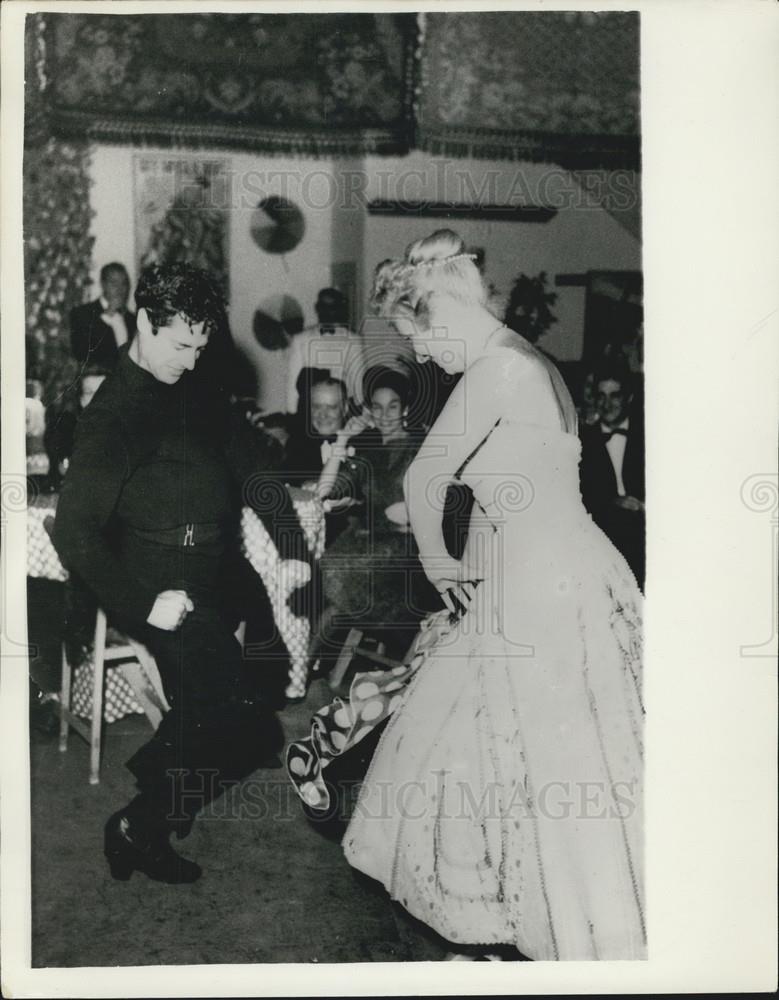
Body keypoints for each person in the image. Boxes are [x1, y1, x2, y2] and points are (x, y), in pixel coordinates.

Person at [328, 230, 644, 960]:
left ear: (438, 311)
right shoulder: (539, 363)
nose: (426, 358)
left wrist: (438, 567)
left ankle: (543, 930)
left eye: (419, 339)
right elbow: (519, 491)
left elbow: (423, 479)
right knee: (550, 761)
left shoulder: (496, 370)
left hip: (535, 585)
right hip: (570, 567)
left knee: (521, 761)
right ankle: (525, 926)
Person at [53, 262, 283, 884]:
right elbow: (73, 531)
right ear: (144, 326)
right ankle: (139, 823)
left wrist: (287, 538)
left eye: (201, 346)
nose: (191, 359)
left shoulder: (190, 377)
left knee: (231, 710)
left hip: (215, 567)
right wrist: (141, 602)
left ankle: (150, 820)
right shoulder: (113, 414)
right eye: (181, 345)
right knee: (241, 720)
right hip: (159, 581)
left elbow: (240, 450)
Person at [316, 367, 438, 662]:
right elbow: (324, 490)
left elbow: (442, 502)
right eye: (377, 407)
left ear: (405, 409)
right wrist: (343, 440)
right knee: (326, 572)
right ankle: (302, 670)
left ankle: (401, 631)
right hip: (366, 544)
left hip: (406, 551)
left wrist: (416, 513)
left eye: (393, 406)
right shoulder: (368, 454)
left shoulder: (421, 447)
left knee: (333, 575)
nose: (385, 415)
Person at [579, 361, 645, 589]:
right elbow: (579, 496)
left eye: (615, 396)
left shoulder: (648, 435)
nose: (607, 404)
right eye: (601, 396)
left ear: (628, 398)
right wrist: (613, 502)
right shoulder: (583, 441)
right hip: (603, 532)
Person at [285, 288, 366, 415]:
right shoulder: (301, 340)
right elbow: (293, 383)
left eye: (332, 307)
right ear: (317, 308)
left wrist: (360, 416)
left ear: (339, 309)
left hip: (340, 410)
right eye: (323, 307)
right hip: (308, 410)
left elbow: (358, 383)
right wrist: (291, 414)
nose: (327, 312)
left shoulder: (353, 341)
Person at [69, 262, 137, 369]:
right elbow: (82, 357)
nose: (120, 289)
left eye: (124, 283)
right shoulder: (83, 314)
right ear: (103, 284)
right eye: (114, 283)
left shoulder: (133, 319)